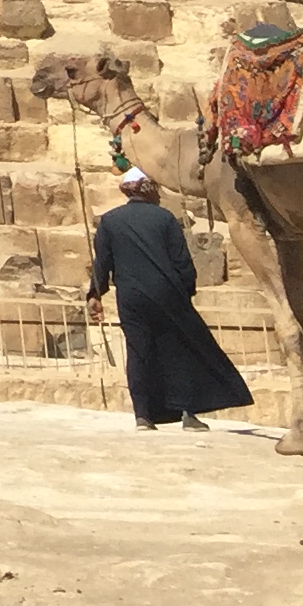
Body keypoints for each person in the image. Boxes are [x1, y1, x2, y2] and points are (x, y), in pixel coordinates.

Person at [89, 167, 251, 429]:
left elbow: (102, 263)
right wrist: (186, 293)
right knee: (180, 350)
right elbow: (182, 262)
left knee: (138, 352)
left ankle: (143, 416)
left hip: (131, 297)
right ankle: (188, 413)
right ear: (149, 190)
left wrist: (95, 295)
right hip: (167, 293)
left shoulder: (110, 221)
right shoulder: (165, 218)